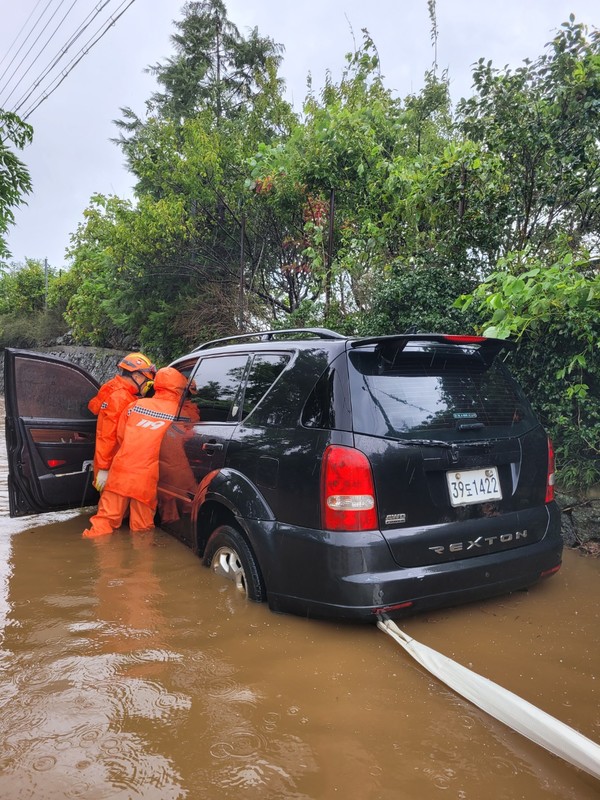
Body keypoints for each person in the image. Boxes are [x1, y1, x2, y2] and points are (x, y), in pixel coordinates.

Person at [82, 367, 188, 539]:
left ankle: (96, 556)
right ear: (180, 389)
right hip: (147, 479)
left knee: (102, 523)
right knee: (142, 531)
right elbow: (184, 445)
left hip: (120, 472)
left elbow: (120, 436)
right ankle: (141, 564)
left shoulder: (135, 405)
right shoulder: (181, 414)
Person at [88, 352, 156, 491]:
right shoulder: (120, 398)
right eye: (146, 380)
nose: (146, 385)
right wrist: (104, 468)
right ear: (137, 376)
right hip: (113, 464)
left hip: (115, 463)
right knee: (112, 509)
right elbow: (107, 436)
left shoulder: (115, 390)